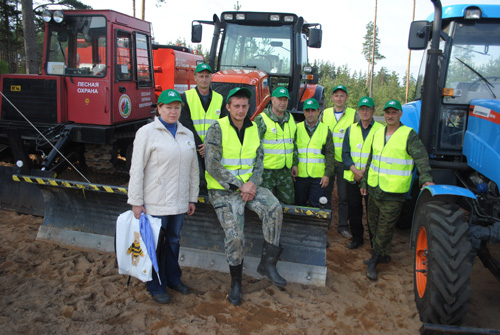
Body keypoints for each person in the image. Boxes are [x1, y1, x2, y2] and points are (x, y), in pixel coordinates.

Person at [204, 87, 287, 306]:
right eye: (236, 106)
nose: (241, 110)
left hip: (249, 187)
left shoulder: (253, 129)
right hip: (223, 191)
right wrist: (241, 185)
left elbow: (259, 162)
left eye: (244, 106)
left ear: (249, 107)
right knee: (236, 236)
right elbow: (212, 165)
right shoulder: (217, 128)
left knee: (274, 208)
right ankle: (236, 282)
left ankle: (268, 263)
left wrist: (253, 184)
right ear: (228, 107)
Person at [127, 89, 200, 304]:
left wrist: (192, 198)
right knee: (156, 244)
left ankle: (173, 278)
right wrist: (136, 202)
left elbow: (193, 169)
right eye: (168, 107)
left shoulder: (187, 134)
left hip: (179, 202)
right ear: (159, 109)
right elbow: (136, 169)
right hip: (155, 203)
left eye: (177, 108)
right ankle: (156, 284)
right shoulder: (147, 133)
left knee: (174, 241)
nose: (173, 111)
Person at [360, 99, 434, 281]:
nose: (390, 116)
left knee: (385, 228)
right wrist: (363, 183)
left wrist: (426, 178)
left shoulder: (408, 135)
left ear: (400, 114)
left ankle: (374, 260)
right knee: (374, 225)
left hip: (393, 192)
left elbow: (421, 158)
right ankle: (383, 254)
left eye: (394, 112)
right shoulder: (378, 133)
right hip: (374, 187)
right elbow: (371, 160)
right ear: (384, 114)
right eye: (387, 112)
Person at [342, 97, 383, 250]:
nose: (365, 111)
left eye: (368, 108)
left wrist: (363, 173)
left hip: (371, 179)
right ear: (359, 110)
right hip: (352, 178)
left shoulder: (380, 130)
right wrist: (355, 171)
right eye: (362, 108)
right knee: (354, 210)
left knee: (372, 214)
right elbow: (345, 153)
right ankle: (357, 238)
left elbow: (380, 155)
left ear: (373, 110)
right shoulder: (351, 129)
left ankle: (375, 243)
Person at [179, 63, 224, 195]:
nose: (204, 79)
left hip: (213, 147)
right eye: (201, 76)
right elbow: (185, 123)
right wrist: (201, 145)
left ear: (211, 78)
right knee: (195, 178)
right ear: (195, 78)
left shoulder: (220, 99)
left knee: (213, 180)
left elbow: (223, 125)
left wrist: (209, 144)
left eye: (207, 76)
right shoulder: (186, 97)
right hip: (192, 145)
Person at [321, 84, 357, 238]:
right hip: (328, 162)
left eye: (342, 95)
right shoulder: (325, 114)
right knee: (325, 195)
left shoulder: (354, 115)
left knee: (344, 197)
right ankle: (325, 224)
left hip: (344, 163)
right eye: (336, 95)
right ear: (332, 98)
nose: (339, 98)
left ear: (347, 98)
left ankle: (343, 226)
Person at [253, 87, 297, 204]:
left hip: (285, 171)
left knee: (289, 203)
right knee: (267, 204)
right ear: (272, 99)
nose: (282, 103)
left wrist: (295, 164)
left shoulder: (291, 119)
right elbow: (254, 148)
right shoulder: (261, 120)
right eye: (279, 99)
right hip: (267, 173)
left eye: (285, 100)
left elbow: (294, 144)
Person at [293, 98, 334, 208]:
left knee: (316, 206)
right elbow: (292, 150)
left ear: (318, 112)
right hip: (300, 176)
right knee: (299, 205)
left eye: (313, 110)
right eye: (307, 110)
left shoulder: (325, 129)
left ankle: (314, 226)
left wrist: (327, 174)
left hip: (318, 177)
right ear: (304, 112)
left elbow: (330, 155)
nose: (310, 114)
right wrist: (293, 166)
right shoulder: (296, 128)